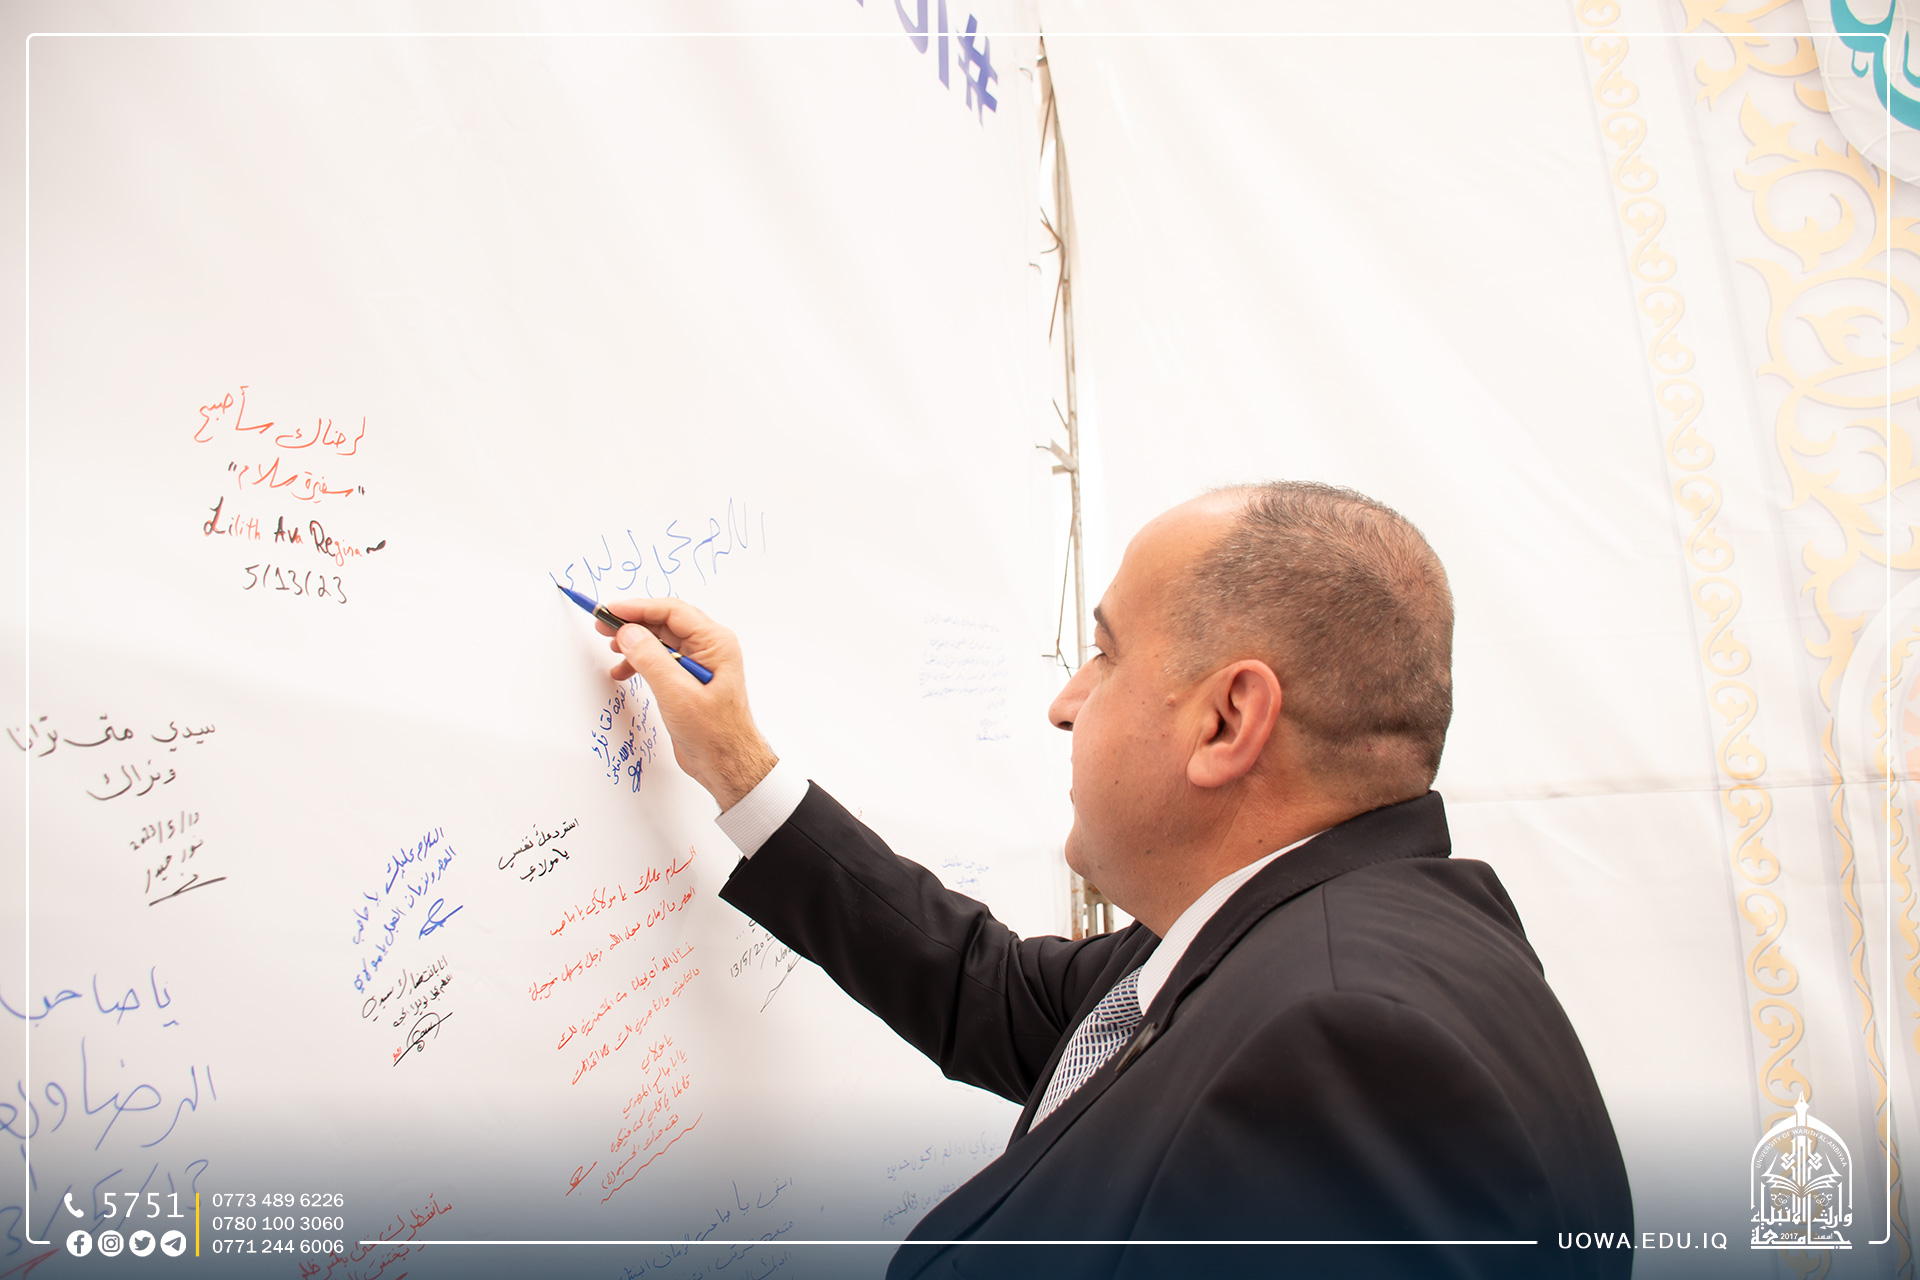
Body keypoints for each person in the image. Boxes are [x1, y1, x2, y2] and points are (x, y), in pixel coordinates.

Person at [599, 482, 1632, 1280]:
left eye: (1105, 654)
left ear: (1227, 720)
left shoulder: (1345, 1044)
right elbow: (992, 991)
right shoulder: (1289, 931)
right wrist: (741, 769)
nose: (1064, 702)